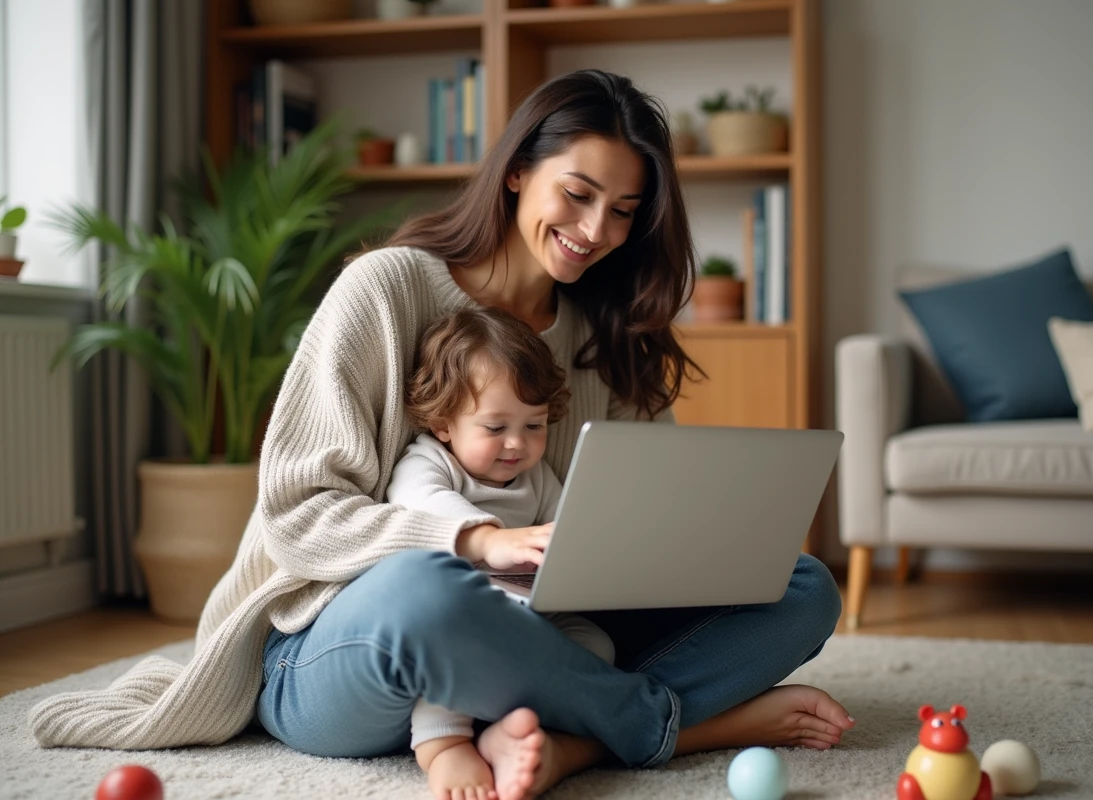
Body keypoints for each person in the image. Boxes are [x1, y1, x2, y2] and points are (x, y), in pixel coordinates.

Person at [29, 69, 853, 800]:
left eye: (624, 212)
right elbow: (296, 512)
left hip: (537, 634)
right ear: (519, 171)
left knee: (805, 586)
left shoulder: (606, 335)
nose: (597, 229)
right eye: (578, 193)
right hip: (347, 653)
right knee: (426, 589)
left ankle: (568, 737)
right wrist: (475, 539)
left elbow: (642, 521)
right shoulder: (386, 291)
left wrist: (695, 545)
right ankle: (668, 726)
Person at [389, 306, 617, 799]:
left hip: (533, 617)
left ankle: (517, 726)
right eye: (495, 428)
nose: (517, 444)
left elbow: (568, 524)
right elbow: (419, 506)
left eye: (534, 426)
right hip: (461, 622)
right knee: (448, 657)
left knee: (598, 646)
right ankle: (444, 748)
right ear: (444, 422)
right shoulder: (430, 462)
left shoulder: (535, 477)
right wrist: (491, 539)